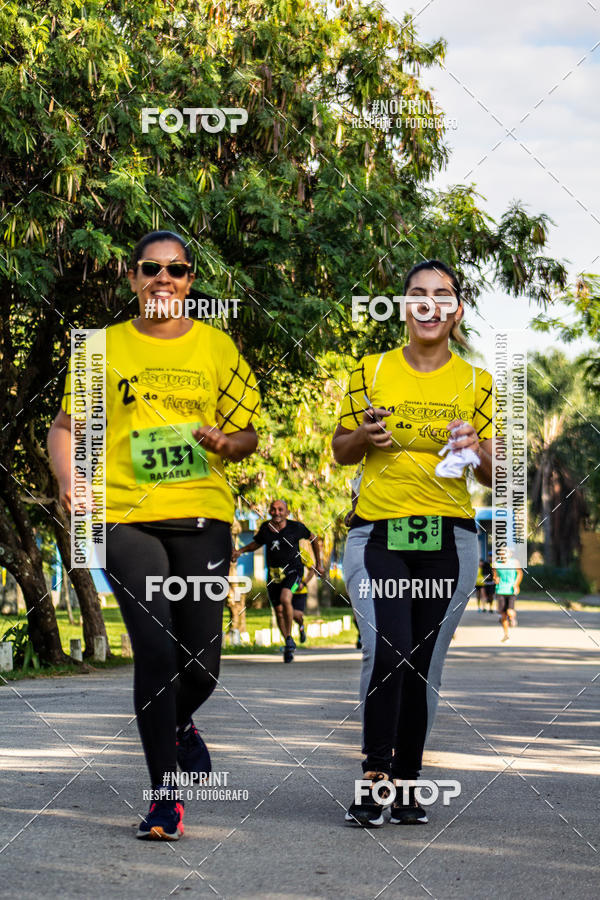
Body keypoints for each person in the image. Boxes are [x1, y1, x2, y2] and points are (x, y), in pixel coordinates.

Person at [48, 230, 260, 841]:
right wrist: (69, 478)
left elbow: (249, 435)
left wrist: (226, 441)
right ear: (133, 278)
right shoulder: (99, 349)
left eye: (176, 270)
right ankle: (165, 799)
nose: (163, 279)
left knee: (201, 665)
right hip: (124, 518)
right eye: (151, 268)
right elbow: (65, 428)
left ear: (191, 281)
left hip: (202, 516)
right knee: (157, 651)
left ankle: (177, 725)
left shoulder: (218, 347)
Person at [332, 259, 496, 827]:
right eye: (418, 295)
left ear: (456, 310)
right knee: (388, 647)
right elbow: (341, 450)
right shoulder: (370, 370)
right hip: (378, 532)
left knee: (423, 663)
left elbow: (496, 475)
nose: (429, 305)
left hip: (449, 538)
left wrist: (477, 448)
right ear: (404, 306)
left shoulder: (478, 383)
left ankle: (408, 783)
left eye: (442, 296)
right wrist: (362, 434)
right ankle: (376, 777)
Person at [232, 500, 324, 662]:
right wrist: (241, 550)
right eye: (273, 509)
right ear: (269, 511)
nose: (277, 512)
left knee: (285, 598)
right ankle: (288, 640)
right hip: (274, 575)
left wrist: (319, 564)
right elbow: (256, 543)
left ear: (287, 512)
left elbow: (314, 539)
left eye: (280, 509)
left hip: (294, 573)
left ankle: (296, 632)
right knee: (279, 611)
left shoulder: (296, 527)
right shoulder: (266, 528)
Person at [493, 547, 523, 641]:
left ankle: (512, 618)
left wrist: (516, 584)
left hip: (511, 591)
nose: (503, 554)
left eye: (505, 552)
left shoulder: (514, 563)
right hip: (500, 591)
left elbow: (520, 574)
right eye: (501, 553)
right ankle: (506, 635)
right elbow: (495, 576)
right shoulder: (496, 564)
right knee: (503, 615)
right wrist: (496, 579)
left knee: (510, 611)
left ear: (510, 554)